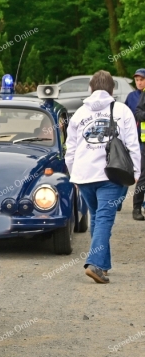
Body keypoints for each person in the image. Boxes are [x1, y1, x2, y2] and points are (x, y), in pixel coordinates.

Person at [66, 70, 140, 284]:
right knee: (105, 219)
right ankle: (95, 264)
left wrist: (74, 173)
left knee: (98, 218)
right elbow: (132, 144)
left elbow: (70, 149)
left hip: (84, 175)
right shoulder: (123, 110)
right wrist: (135, 172)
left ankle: (103, 266)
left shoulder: (79, 113)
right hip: (113, 174)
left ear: (91, 88)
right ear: (112, 89)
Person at [126, 68, 145, 220]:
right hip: (139, 141)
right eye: (137, 80)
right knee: (139, 175)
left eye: (142, 79)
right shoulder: (132, 97)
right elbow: (134, 113)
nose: (139, 82)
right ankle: (136, 208)